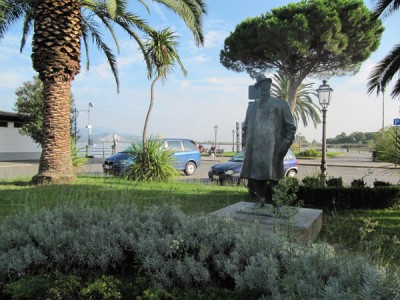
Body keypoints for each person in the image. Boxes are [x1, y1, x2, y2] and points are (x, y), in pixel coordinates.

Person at [240, 74, 296, 207]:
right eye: (261, 86)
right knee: (256, 176)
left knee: (275, 177)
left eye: (266, 86)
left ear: (270, 87)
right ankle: (260, 200)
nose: (264, 89)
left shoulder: (281, 105)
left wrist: (284, 146)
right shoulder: (252, 108)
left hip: (273, 148)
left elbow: (291, 128)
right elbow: (246, 127)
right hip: (254, 148)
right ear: (258, 89)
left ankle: (278, 203)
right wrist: (245, 142)